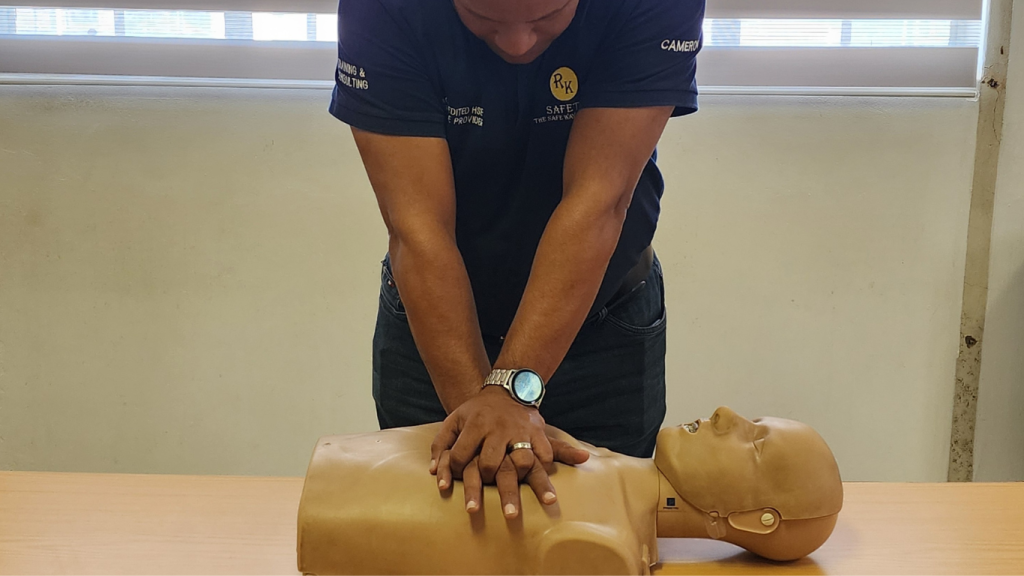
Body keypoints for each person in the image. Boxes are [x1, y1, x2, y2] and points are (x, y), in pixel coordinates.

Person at [331, 0, 705, 515]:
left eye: (545, 18)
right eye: (484, 19)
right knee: (439, 535)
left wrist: (507, 395)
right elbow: (419, 229)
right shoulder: (381, 7)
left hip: (604, 328)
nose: (517, 43)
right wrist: (484, 419)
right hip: (438, 322)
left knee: (604, 533)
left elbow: (598, 202)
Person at [296, 407, 845, 575]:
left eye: (755, 445)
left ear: (755, 519)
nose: (726, 414)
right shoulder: (609, 473)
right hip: (346, 476)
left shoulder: (603, 545)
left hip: (336, 510)